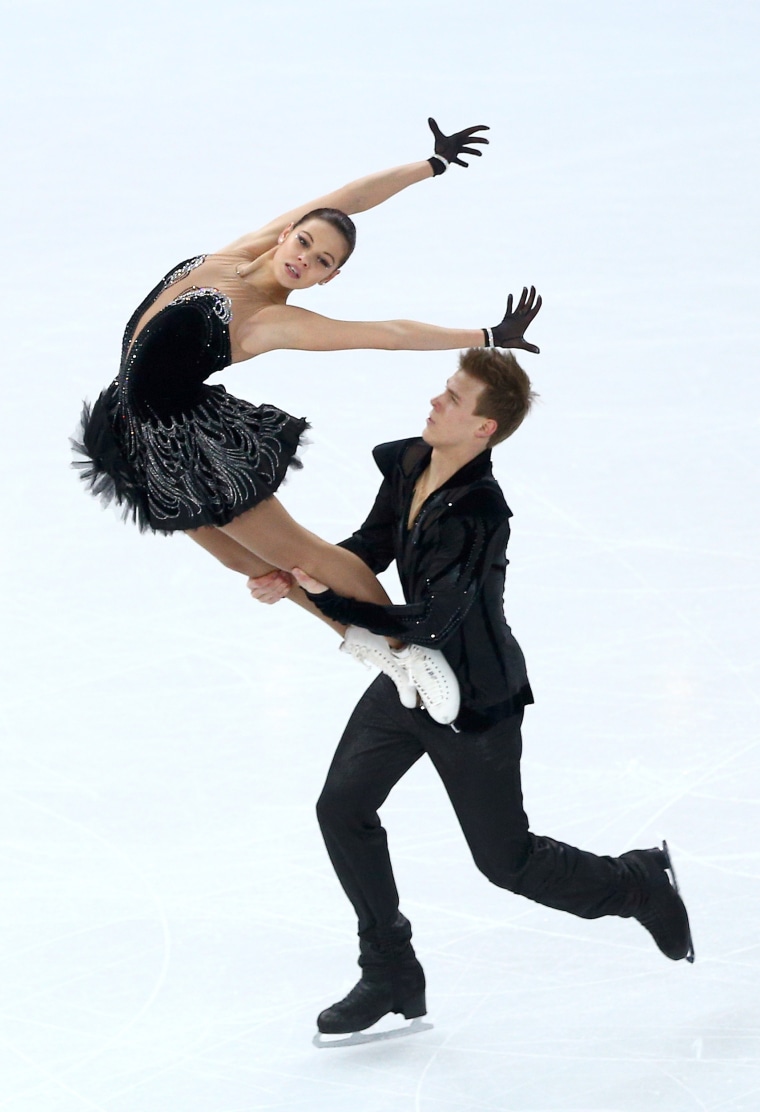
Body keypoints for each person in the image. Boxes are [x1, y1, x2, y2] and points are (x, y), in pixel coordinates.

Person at [248, 347, 695, 1036]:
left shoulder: (482, 513)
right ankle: (390, 969)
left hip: (474, 697)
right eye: (444, 390)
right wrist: (298, 573)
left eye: (454, 399)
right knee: (341, 808)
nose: (435, 402)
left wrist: (327, 602)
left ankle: (636, 883)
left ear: (483, 428)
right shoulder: (408, 463)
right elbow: (369, 548)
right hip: (407, 677)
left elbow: (435, 618)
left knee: (505, 861)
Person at [72, 116, 541, 721]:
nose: (305, 260)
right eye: (305, 244)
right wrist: (431, 166)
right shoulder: (237, 253)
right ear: (287, 233)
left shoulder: (270, 321)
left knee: (301, 553)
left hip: (189, 445)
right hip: (131, 429)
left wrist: (485, 333)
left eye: (323, 262)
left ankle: (409, 650)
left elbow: (390, 336)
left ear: (329, 278)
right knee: (240, 559)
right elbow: (346, 200)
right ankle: (361, 639)